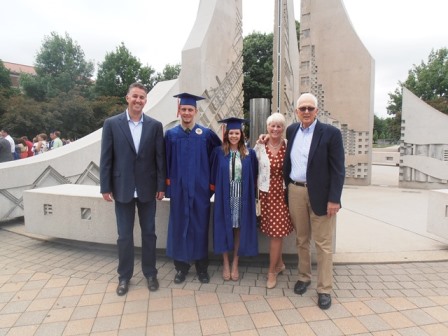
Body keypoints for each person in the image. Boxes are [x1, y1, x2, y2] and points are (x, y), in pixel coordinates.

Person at [100, 82, 166, 296]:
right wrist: (105, 187)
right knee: (124, 236)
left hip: (148, 188)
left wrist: (161, 186)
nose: (138, 100)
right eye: (135, 96)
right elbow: (107, 157)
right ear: (127, 98)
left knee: (149, 234)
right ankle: (124, 277)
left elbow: (160, 159)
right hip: (122, 188)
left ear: (146, 101)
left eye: (142, 97)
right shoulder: (111, 124)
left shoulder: (155, 126)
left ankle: (150, 273)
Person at [283, 93, 345, 309]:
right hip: (296, 192)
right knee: (301, 239)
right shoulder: (291, 131)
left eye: (310, 108)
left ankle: (324, 289)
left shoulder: (331, 133)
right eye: (303, 108)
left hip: (322, 196)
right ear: (297, 111)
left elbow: (338, 169)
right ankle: (304, 277)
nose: (306, 112)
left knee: (323, 244)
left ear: (317, 110)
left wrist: (334, 199)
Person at [165, 92, 221, 284]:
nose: (187, 113)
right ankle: (181, 267)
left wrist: (211, 183)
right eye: (184, 109)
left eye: (190, 109)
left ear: (196, 111)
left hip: (200, 191)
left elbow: (219, 156)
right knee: (179, 227)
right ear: (179, 111)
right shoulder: (171, 135)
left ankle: (201, 268)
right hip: (180, 190)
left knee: (200, 227)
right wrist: (168, 186)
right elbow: (165, 162)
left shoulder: (206, 135)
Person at [210, 117, 258, 281]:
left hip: (242, 196)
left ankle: (235, 263)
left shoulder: (249, 153)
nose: (234, 136)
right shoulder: (219, 152)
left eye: (237, 133)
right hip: (225, 195)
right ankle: (225, 263)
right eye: (231, 133)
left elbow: (254, 175)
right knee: (224, 227)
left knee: (238, 229)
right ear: (227, 134)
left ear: (241, 134)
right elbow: (213, 174)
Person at [254, 112, 293, 289]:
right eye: (272, 126)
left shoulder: (288, 145)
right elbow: (252, 167)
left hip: (283, 194)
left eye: (279, 126)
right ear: (267, 127)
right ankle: (280, 264)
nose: (275, 129)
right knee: (273, 232)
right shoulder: (260, 146)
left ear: (283, 129)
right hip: (266, 194)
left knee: (277, 232)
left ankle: (271, 271)